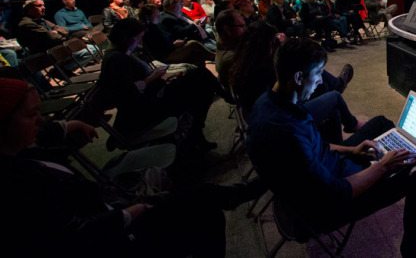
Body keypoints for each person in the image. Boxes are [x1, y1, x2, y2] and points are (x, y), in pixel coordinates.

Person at [246, 38, 416, 258]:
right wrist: (383, 167)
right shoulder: (286, 132)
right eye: (317, 74)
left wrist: (351, 151)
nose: (319, 82)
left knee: (381, 124)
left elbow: (316, 146)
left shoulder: (270, 103)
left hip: (328, 168)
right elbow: (338, 192)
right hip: (325, 208)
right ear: (297, 77)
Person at [0, 76, 265, 258]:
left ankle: (240, 192)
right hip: (111, 236)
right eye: (31, 115)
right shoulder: (16, 185)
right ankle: (245, 191)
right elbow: (68, 240)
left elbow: (46, 131)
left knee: (196, 195)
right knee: (205, 214)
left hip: (109, 205)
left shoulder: (21, 147)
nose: (40, 120)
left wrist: (68, 125)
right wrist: (130, 213)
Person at [96, 19, 217, 150]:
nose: (140, 43)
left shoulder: (120, 54)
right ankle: (196, 134)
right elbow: (128, 93)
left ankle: (196, 134)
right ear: (127, 38)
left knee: (198, 78)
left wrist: (160, 78)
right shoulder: (116, 60)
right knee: (200, 82)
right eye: (138, 38)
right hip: (143, 110)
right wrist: (152, 77)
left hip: (151, 97)